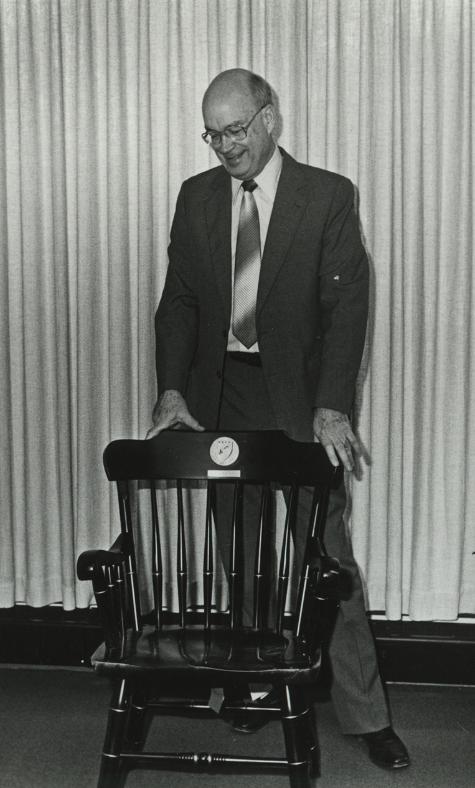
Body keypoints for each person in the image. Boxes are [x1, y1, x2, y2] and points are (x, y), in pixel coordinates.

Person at [147, 68, 410, 771]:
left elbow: (345, 307)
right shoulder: (195, 198)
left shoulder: (325, 195)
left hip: (298, 401)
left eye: (235, 130)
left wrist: (332, 404)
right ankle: (257, 687)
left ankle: (366, 715)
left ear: (269, 119)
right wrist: (172, 391)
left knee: (326, 560)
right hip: (225, 397)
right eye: (213, 134)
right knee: (241, 555)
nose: (224, 147)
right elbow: (179, 304)